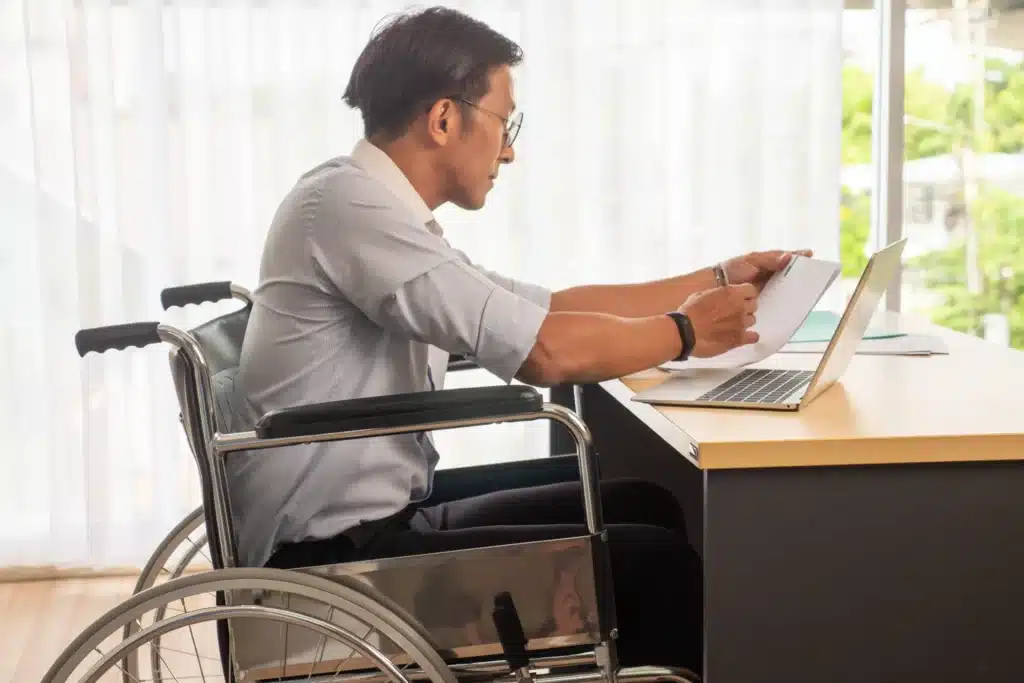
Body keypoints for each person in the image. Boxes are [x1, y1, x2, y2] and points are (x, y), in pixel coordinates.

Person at [231, 5, 810, 673]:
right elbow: (547, 353)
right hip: (333, 562)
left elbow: (549, 310)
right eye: (506, 123)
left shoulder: (373, 209)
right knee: (657, 569)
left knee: (644, 501)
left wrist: (715, 277)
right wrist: (684, 332)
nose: (510, 149)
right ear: (445, 119)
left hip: (384, 518)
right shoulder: (348, 209)